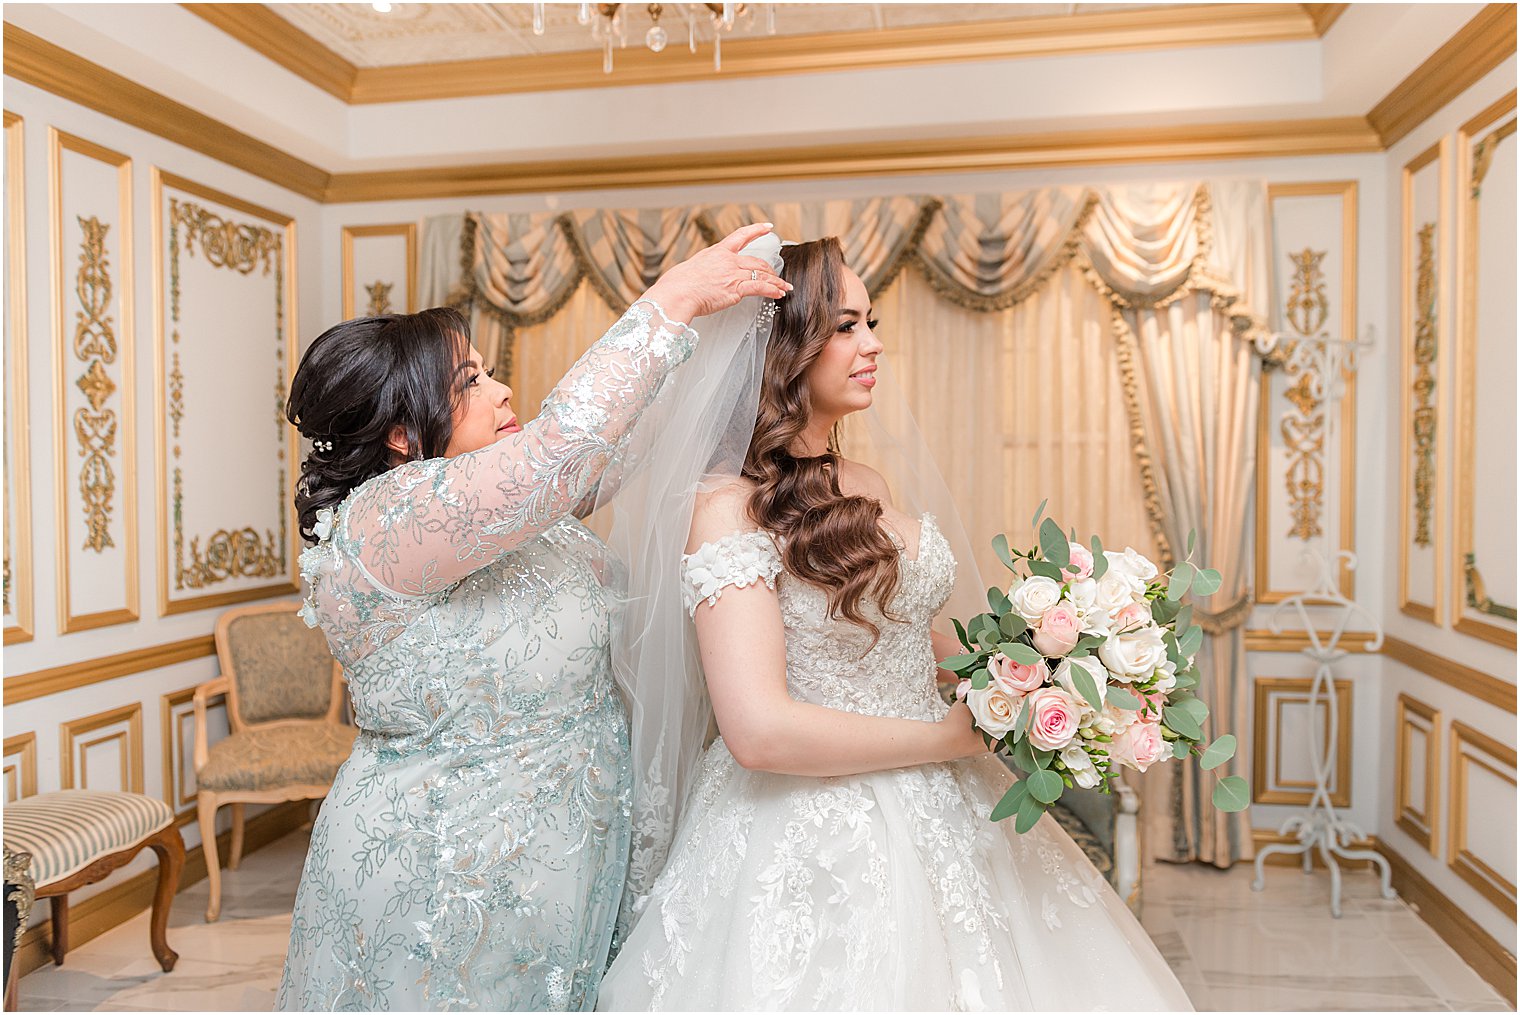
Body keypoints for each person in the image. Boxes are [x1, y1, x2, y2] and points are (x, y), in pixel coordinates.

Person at [598, 237, 1193, 1011]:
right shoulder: (724, 507)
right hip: (810, 823)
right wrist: (946, 738)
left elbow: (903, 630)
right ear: (786, 347)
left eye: (870, 321)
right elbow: (759, 732)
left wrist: (1044, 665)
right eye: (845, 326)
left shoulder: (865, 481)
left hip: (948, 793)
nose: (873, 343)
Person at [273, 224, 789, 1011]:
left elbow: (612, 448)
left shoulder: (509, 509)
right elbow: (564, 449)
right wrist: (672, 296)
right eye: (468, 382)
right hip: (444, 877)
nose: (502, 388)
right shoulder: (388, 517)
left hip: (561, 863)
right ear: (403, 434)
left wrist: (710, 330)